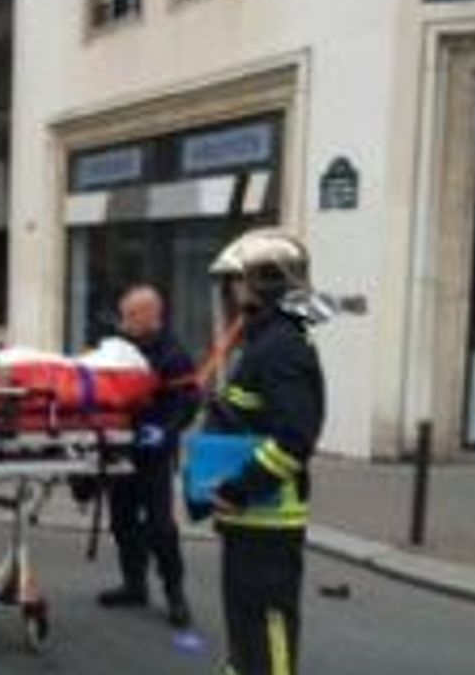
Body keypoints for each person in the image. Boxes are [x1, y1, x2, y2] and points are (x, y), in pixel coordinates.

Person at [205, 229, 327, 675]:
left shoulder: (281, 347)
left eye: (237, 280)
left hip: (267, 518)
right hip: (251, 516)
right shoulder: (266, 340)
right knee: (246, 625)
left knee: (267, 623)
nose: (231, 291)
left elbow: (294, 438)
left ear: (265, 281)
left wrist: (238, 488)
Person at [97, 285, 200, 629]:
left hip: (154, 451)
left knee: (161, 527)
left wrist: (166, 432)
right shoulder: (119, 348)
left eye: (130, 315)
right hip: (122, 446)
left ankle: (175, 594)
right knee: (122, 520)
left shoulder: (173, 354)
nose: (124, 321)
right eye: (123, 314)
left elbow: (188, 402)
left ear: (152, 315)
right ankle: (134, 584)